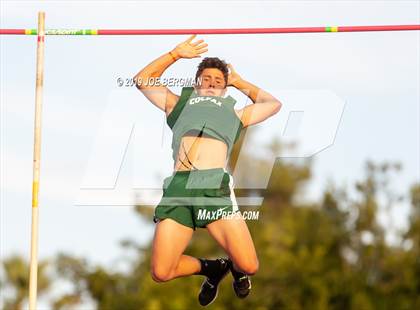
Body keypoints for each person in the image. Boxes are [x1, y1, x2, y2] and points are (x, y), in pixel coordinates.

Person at [134, 34, 282, 306]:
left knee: (249, 265)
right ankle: (212, 269)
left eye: (219, 82)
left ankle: (236, 269)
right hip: (179, 189)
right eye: (207, 80)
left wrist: (238, 81)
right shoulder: (177, 104)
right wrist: (175, 54)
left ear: (225, 89)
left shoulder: (235, 114)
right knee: (161, 272)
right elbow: (142, 79)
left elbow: (272, 105)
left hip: (213, 188)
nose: (213, 84)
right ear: (196, 83)